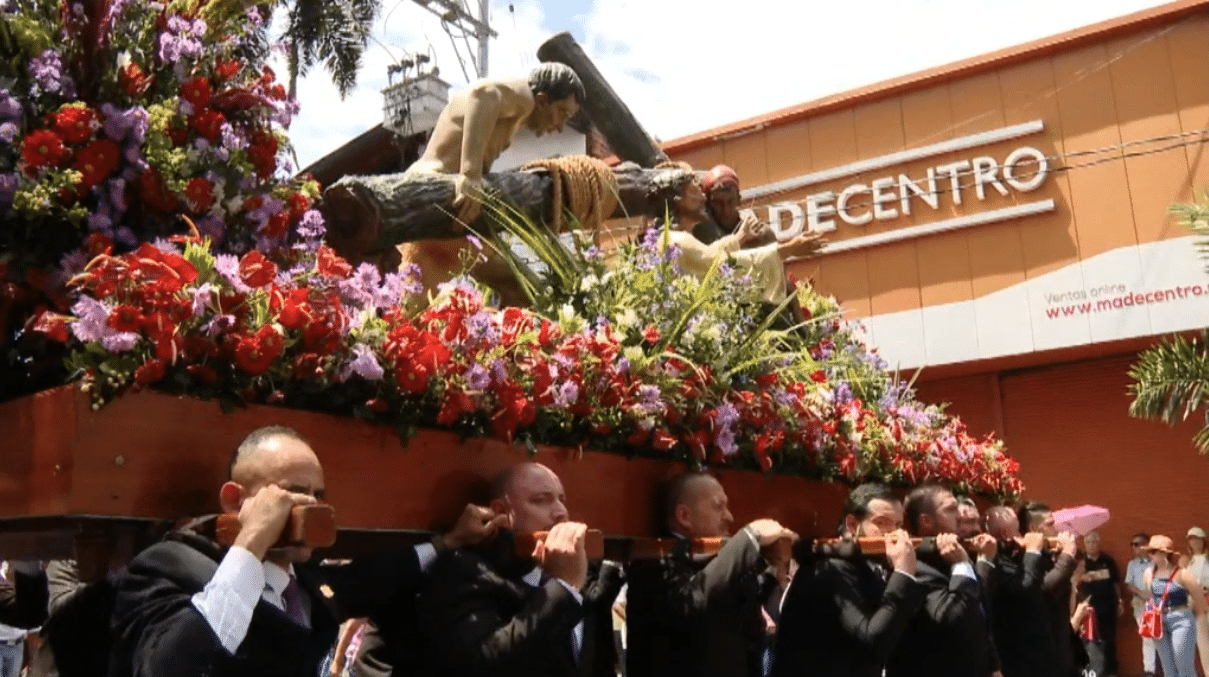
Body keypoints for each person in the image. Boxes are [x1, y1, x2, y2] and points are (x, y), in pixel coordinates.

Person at [108, 425, 500, 677]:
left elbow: (378, 575)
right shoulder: (168, 567)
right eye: (294, 492)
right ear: (234, 500)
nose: (313, 506)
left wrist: (448, 543)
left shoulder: (308, 586)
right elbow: (169, 668)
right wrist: (251, 544)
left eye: (319, 494)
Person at [415, 462, 623, 677]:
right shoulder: (464, 572)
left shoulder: (577, 571)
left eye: (562, 500)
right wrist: (562, 588)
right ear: (501, 512)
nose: (561, 512)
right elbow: (484, 665)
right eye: (540, 500)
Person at [625, 471, 796, 677]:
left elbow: (744, 624)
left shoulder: (718, 560)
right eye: (718, 507)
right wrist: (750, 537)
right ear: (684, 516)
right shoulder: (652, 563)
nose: (729, 517)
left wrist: (770, 570)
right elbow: (691, 603)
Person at [771, 483, 925, 677]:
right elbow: (872, 643)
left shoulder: (866, 568)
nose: (894, 534)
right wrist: (903, 573)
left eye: (898, 525)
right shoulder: (829, 569)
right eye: (882, 522)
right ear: (852, 525)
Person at [645, 169, 821, 306]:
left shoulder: (757, 230)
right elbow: (718, 264)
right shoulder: (676, 240)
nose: (702, 197)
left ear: (739, 199)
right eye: (694, 191)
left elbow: (708, 254)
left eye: (730, 201)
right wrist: (787, 249)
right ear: (677, 200)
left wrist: (738, 239)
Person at [885, 484, 998, 677]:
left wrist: (994, 666)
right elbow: (952, 619)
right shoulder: (914, 566)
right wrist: (961, 565)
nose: (960, 516)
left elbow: (979, 613)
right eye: (951, 509)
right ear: (926, 521)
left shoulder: (955, 555)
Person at [983, 506, 1054, 677]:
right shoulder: (997, 561)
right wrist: (1032, 552)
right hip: (1015, 656)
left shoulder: (1015, 553)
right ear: (1005, 534)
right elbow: (1025, 590)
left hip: (1039, 654)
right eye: (1017, 529)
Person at [1019, 502, 1080, 677]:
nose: (1056, 529)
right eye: (1050, 524)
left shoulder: (1049, 554)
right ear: (1033, 528)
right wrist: (1067, 556)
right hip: (1041, 652)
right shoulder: (1025, 557)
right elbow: (1043, 590)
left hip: (1061, 645)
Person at [1143, 535, 1209, 677]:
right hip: (1159, 620)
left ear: (1165, 553)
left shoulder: (1183, 574)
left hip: (1181, 619)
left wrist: (1192, 617)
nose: (1150, 555)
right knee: (1168, 668)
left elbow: (1200, 601)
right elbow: (1151, 596)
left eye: (1153, 551)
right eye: (1149, 551)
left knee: (1184, 666)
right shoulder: (1149, 573)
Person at [1078, 531, 1121, 676]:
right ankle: (1093, 671)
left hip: (1107, 606)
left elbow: (1115, 582)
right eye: (1088, 542)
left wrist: (1120, 601)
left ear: (1099, 543)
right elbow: (1073, 579)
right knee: (1090, 640)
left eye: (1093, 542)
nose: (1091, 545)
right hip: (1088, 608)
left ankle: (1110, 670)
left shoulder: (1107, 561)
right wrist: (1082, 577)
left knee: (1109, 639)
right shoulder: (1081, 561)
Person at [1125, 532, 1158, 676]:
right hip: (1141, 605)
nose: (1134, 547)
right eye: (1132, 545)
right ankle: (1149, 670)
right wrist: (1141, 592)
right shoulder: (1132, 564)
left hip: (1159, 605)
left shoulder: (1156, 562)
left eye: (1137, 544)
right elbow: (1128, 584)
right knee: (1147, 638)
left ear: (1146, 545)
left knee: (1162, 637)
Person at [1182, 527, 1209, 677]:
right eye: (1191, 539)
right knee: (1203, 645)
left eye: (1197, 539)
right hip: (1196, 605)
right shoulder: (1187, 561)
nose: (1194, 542)